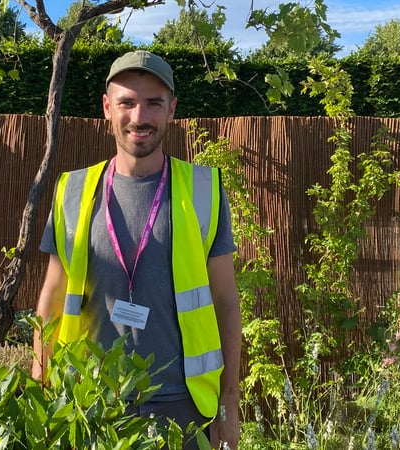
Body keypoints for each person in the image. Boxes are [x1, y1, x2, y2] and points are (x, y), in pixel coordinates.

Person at [31, 50, 241, 450]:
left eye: (154, 103)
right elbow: (52, 297)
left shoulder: (204, 190)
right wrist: (41, 392)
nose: (139, 117)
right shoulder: (71, 191)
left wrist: (229, 404)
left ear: (172, 110)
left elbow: (225, 300)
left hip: (185, 410)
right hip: (90, 405)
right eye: (127, 102)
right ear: (107, 108)